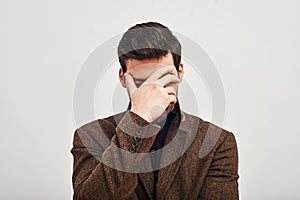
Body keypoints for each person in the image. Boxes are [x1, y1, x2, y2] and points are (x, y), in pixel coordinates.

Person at [71, 22, 239, 200]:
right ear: (122, 78)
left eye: (163, 79)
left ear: (180, 72)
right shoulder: (90, 136)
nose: (153, 92)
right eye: (141, 82)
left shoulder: (216, 142)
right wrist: (138, 121)